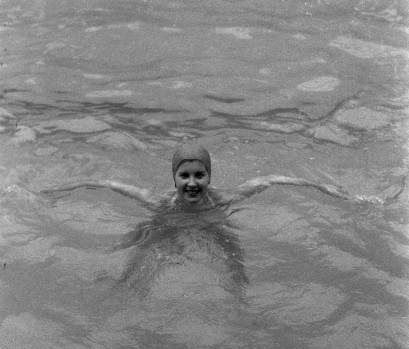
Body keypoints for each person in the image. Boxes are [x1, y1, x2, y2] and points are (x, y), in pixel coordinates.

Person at [41, 141, 386, 209]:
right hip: (168, 223)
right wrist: (49, 191)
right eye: (185, 175)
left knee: (232, 252)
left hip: (215, 221)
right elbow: (106, 183)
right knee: (141, 247)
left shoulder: (227, 198)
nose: (192, 182)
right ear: (173, 178)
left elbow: (277, 179)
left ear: (209, 176)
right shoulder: (158, 201)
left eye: (200, 175)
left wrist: (337, 192)